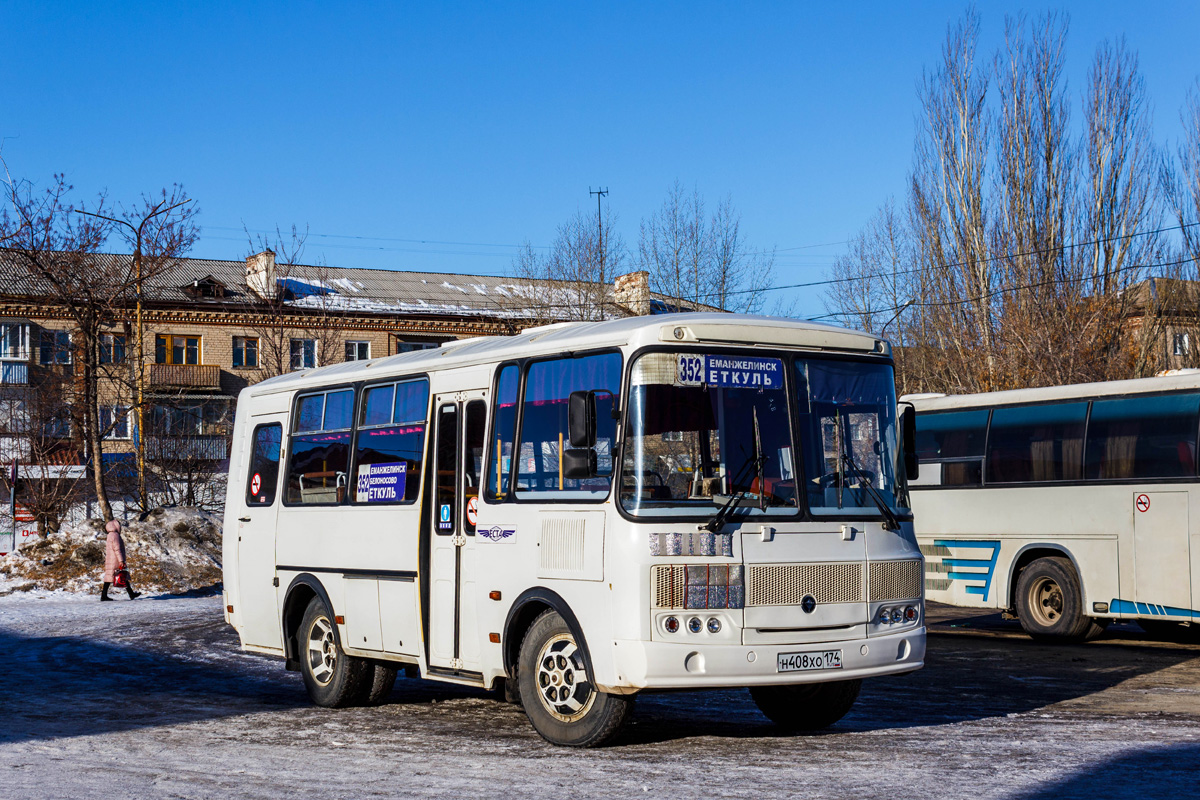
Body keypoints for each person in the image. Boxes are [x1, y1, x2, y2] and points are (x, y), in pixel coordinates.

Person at [101, 519, 141, 601]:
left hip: (111, 558)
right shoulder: (115, 535)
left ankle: (130, 593)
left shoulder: (109, 535)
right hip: (115, 559)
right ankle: (104, 595)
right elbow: (117, 549)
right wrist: (121, 560)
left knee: (112, 576)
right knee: (122, 574)